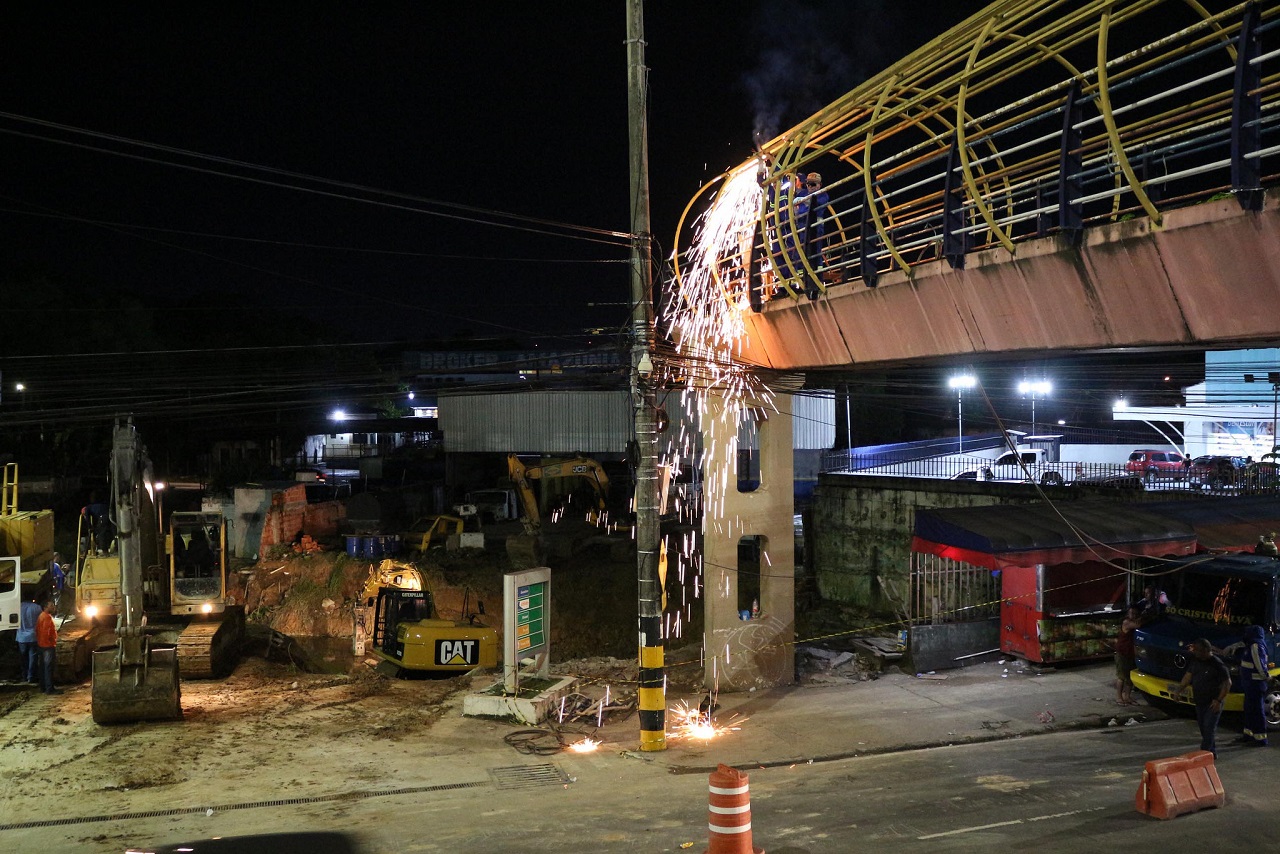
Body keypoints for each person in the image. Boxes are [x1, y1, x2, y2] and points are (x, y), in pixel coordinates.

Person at [1172, 638, 1230, 756]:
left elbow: (1227, 683)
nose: (1196, 653)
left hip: (1213, 702)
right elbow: (1188, 677)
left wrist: (1219, 700)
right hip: (1200, 701)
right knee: (1204, 730)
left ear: (1206, 650)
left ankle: (1202, 756)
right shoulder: (1196, 661)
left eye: (1198, 650)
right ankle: (1211, 753)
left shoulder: (1217, 664)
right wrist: (1178, 691)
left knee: (1209, 729)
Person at [1223, 625, 1270, 747]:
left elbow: (1259, 664)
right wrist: (1231, 647)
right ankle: (1248, 734)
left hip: (1256, 683)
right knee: (1249, 709)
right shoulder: (1252, 644)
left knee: (1257, 710)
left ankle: (1260, 738)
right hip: (1250, 683)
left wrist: (1266, 677)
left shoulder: (1255, 646)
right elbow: (1241, 643)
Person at [1114, 606, 1141, 705]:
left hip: (1130, 653)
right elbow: (1139, 625)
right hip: (1122, 653)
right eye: (1131, 613)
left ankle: (1127, 697)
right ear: (1127, 614)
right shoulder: (1127, 622)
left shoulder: (1133, 622)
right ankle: (1119, 697)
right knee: (1122, 676)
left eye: (1135, 613)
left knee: (1130, 677)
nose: (1133, 615)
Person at [36, 597, 60, 695]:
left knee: (42, 667)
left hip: (41, 645)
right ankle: (50, 688)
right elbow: (46, 632)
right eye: (51, 606)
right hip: (47, 646)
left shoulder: (41, 616)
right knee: (48, 667)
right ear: (45, 607)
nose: (53, 607)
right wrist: (50, 642)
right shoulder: (46, 617)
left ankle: (43, 687)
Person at [16, 594, 42, 684]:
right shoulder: (37, 607)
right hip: (33, 636)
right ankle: (31, 677)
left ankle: (24, 675)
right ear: (33, 598)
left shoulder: (18, 606)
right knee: (33, 658)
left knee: (23, 657)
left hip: (21, 637)